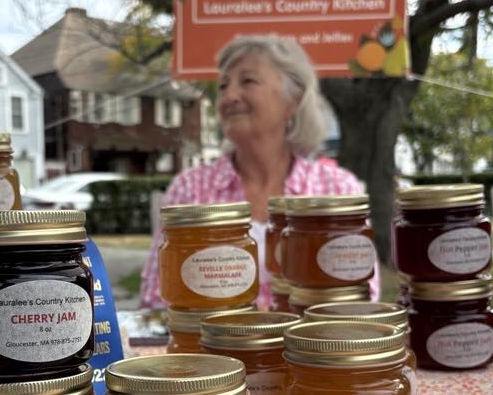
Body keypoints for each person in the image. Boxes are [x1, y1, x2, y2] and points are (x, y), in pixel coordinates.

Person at [140, 34, 378, 309]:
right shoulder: (190, 189)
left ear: (293, 101)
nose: (229, 96)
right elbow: (155, 300)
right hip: (212, 350)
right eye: (223, 86)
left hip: (312, 350)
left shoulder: (337, 189)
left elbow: (362, 297)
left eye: (248, 81)